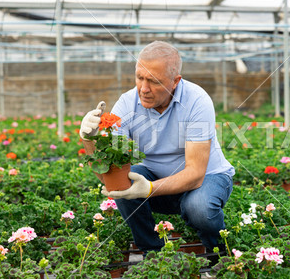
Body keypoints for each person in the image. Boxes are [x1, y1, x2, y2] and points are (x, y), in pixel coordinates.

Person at [79, 41, 234, 253]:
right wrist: (88, 139)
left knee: (199, 207)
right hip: (156, 181)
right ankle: (153, 255)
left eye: (153, 81)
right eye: (139, 78)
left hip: (207, 179)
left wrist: (149, 189)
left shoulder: (197, 101)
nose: (143, 89)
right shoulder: (127, 104)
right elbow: (110, 176)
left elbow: (196, 174)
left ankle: (220, 256)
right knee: (123, 186)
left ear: (175, 81)